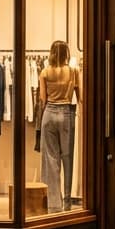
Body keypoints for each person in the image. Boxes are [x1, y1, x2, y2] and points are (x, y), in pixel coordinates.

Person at [38, 39, 80, 212]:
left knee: (51, 159)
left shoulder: (45, 72)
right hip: (66, 112)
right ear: (66, 54)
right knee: (67, 158)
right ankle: (68, 202)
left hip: (49, 113)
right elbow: (80, 96)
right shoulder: (73, 71)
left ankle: (54, 204)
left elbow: (43, 99)